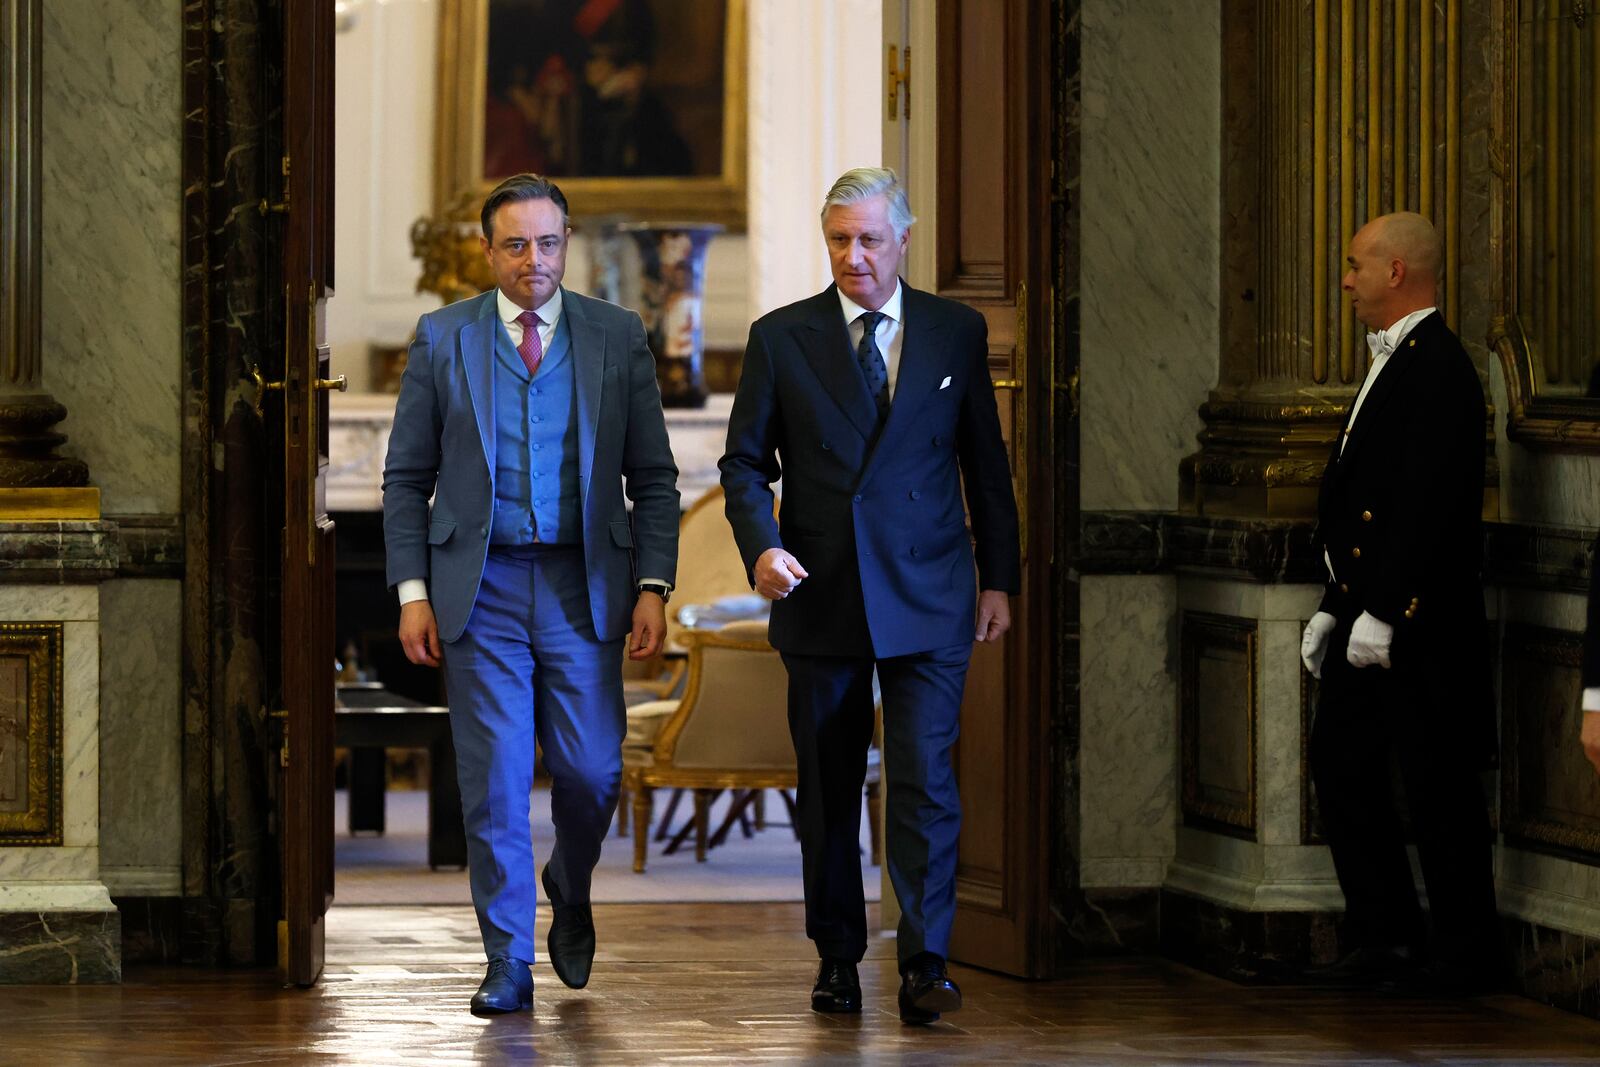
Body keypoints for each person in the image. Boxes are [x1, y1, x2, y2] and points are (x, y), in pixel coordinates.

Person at [719, 167, 1020, 1025]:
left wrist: (997, 577)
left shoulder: (956, 331)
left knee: (926, 781)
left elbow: (985, 468)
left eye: (869, 240)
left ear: (903, 240)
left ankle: (927, 962)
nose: (854, 256)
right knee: (829, 787)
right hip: (823, 593)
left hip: (931, 590)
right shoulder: (782, 336)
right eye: (839, 240)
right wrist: (761, 546)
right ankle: (839, 958)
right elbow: (745, 463)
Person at [382, 173, 680, 1015]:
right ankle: (507, 959)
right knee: (496, 782)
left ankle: (571, 877)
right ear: (489, 251)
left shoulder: (616, 335)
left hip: (586, 585)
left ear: (566, 243)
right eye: (515, 244)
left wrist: (653, 583)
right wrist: (412, 590)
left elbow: (653, 479)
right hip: (481, 588)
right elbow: (406, 479)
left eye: (548, 242)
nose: (533, 260)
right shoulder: (444, 338)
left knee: (591, 771)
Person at [1300, 211, 1500, 994]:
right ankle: (1383, 935)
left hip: (1419, 622)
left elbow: (1428, 501)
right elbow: (1360, 502)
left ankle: (1463, 953)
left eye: (1355, 267)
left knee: (1438, 785)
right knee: (1341, 765)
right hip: (1365, 608)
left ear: (1395, 272)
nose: (1345, 282)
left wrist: (1385, 608)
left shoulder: (1441, 366)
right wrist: (1332, 603)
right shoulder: (1394, 359)